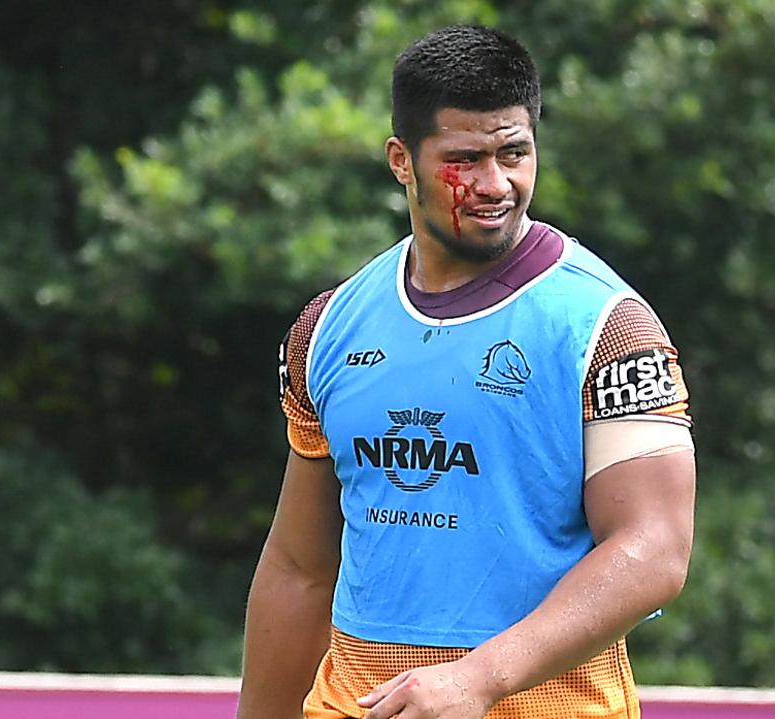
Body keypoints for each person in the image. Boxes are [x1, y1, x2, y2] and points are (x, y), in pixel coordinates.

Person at [237, 25, 696, 719]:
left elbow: (654, 548)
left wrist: (477, 678)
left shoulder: (610, 328)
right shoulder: (326, 328)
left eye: (514, 153)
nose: (495, 183)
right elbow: (300, 569)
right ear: (401, 160)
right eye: (465, 159)